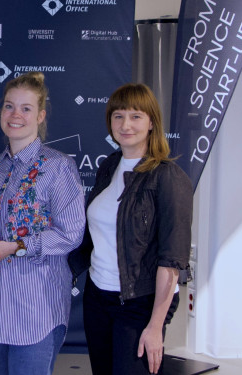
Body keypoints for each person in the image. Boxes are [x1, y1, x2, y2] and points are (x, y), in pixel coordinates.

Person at [0, 71, 86, 375]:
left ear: (40, 115)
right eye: (9, 106)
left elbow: (70, 234)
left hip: (35, 308)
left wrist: (16, 247)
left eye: (26, 108)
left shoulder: (58, 168)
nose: (15, 115)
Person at [68, 83, 193, 375]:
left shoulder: (168, 177)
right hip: (98, 296)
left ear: (152, 123)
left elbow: (172, 261)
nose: (126, 124)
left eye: (136, 116)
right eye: (118, 116)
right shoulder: (109, 166)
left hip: (140, 303)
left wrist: (155, 325)